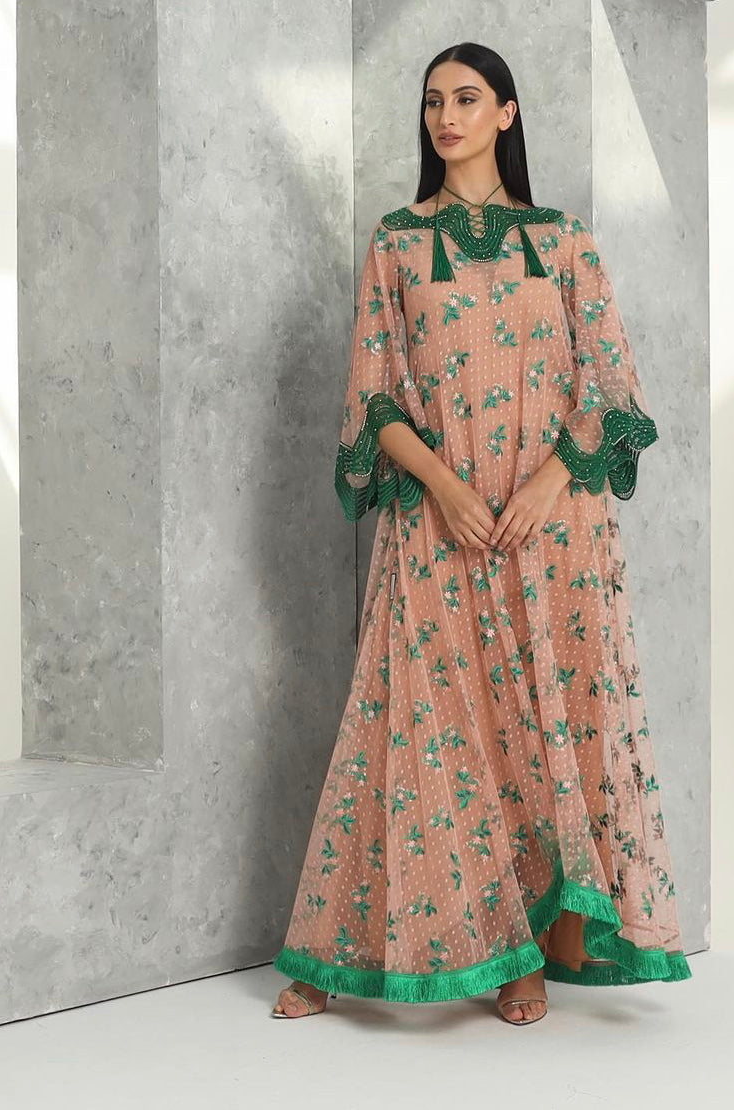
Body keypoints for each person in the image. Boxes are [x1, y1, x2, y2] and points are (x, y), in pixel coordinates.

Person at [271, 41, 691, 1026]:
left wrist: (548, 481)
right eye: (432, 102)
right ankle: (348, 953)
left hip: (554, 528)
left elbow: (612, 386)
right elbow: (372, 398)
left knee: (542, 726)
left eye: (466, 99)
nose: (445, 118)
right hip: (438, 520)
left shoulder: (565, 241)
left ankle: (528, 955)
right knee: (419, 725)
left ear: (506, 113)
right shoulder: (396, 243)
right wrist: (444, 488)